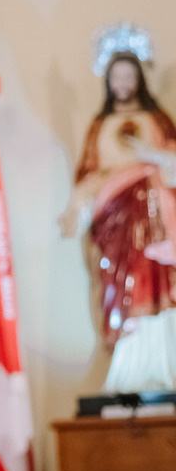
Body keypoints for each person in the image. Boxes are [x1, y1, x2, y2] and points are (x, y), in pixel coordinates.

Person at [61, 45, 176, 391]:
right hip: (117, 220)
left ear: (139, 80)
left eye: (129, 76)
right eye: (117, 77)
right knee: (121, 288)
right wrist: (75, 209)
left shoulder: (158, 121)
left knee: (157, 282)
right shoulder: (100, 127)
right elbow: (88, 176)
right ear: (109, 83)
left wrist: (150, 156)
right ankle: (128, 371)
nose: (123, 83)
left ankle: (162, 363)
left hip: (156, 216)